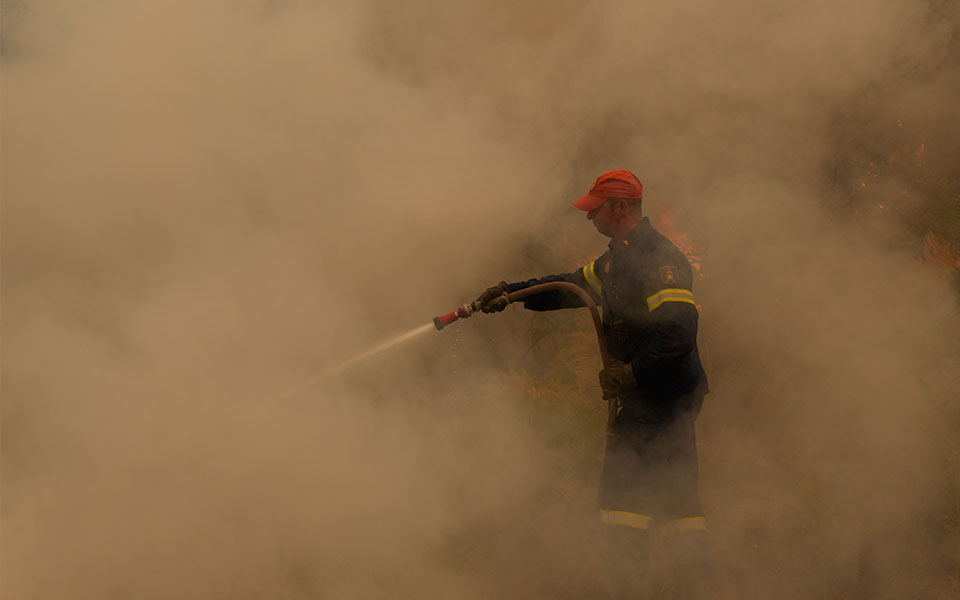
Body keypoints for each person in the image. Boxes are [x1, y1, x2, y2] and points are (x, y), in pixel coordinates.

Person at [475, 170, 710, 598]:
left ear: (620, 208)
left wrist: (631, 373)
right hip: (651, 393)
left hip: (663, 394)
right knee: (675, 498)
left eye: (596, 209)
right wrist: (513, 294)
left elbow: (678, 331)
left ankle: (638, 584)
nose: (589, 219)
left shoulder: (659, 260)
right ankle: (688, 583)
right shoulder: (617, 259)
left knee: (624, 499)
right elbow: (571, 287)